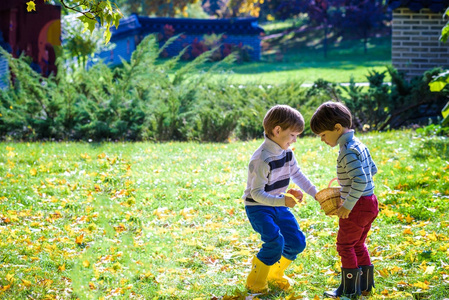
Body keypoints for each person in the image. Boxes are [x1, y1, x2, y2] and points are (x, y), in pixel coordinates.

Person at [242, 104, 318, 292]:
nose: (294, 140)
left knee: (296, 241)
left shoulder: (287, 153)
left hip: (277, 203)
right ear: (277, 130)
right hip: (258, 207)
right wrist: (282, 201)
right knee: (275, 242)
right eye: (292, 135)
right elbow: (256, 194)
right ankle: (255, 281)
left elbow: (297, 174)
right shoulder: (262, 159)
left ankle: (275, 274)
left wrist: (315, 193)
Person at [310, 101, 378, 298]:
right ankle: (365, 285)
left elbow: (360, 179)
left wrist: (348, 204)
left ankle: (349, 290)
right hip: (370, 201)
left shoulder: (347, 150)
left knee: (345, 245)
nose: (322, 139)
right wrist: (353, 186)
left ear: (337, 128)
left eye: (323, 134)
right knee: (358, 243)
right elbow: (371, 170)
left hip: (356, 205)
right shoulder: (360, 145)